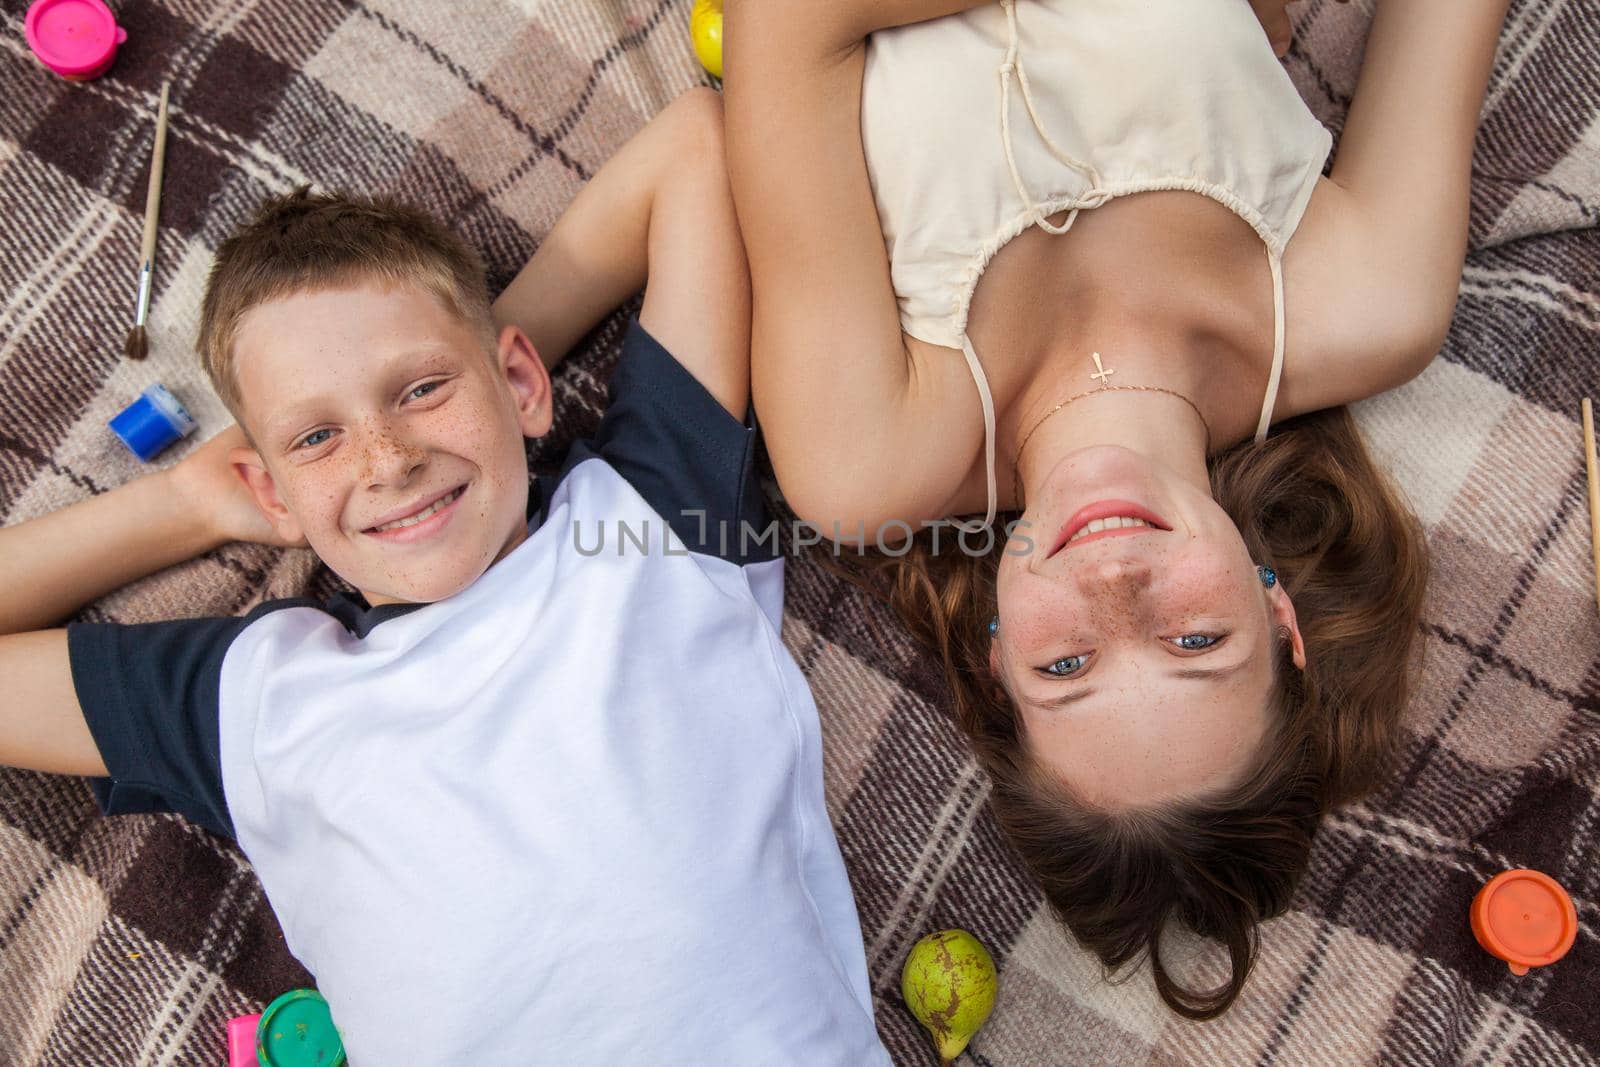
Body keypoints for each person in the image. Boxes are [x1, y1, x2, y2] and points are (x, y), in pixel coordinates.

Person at [0, 88, 890, 1064]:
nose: (386, 458)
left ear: (519, 380)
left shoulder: (643, 522)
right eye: (317, 435)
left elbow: (699, 144)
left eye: (420, 389)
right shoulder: (257, 701)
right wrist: (183, 506)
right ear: (272, 490)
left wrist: (491, 375)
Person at [724, 0, 1509, 1017]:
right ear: (1280, 618)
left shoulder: (865, 459)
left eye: (1066, 665)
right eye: (1192, 638)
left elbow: (786, 22)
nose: (1111, 584)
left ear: (1000, 666)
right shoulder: (1371, 303)